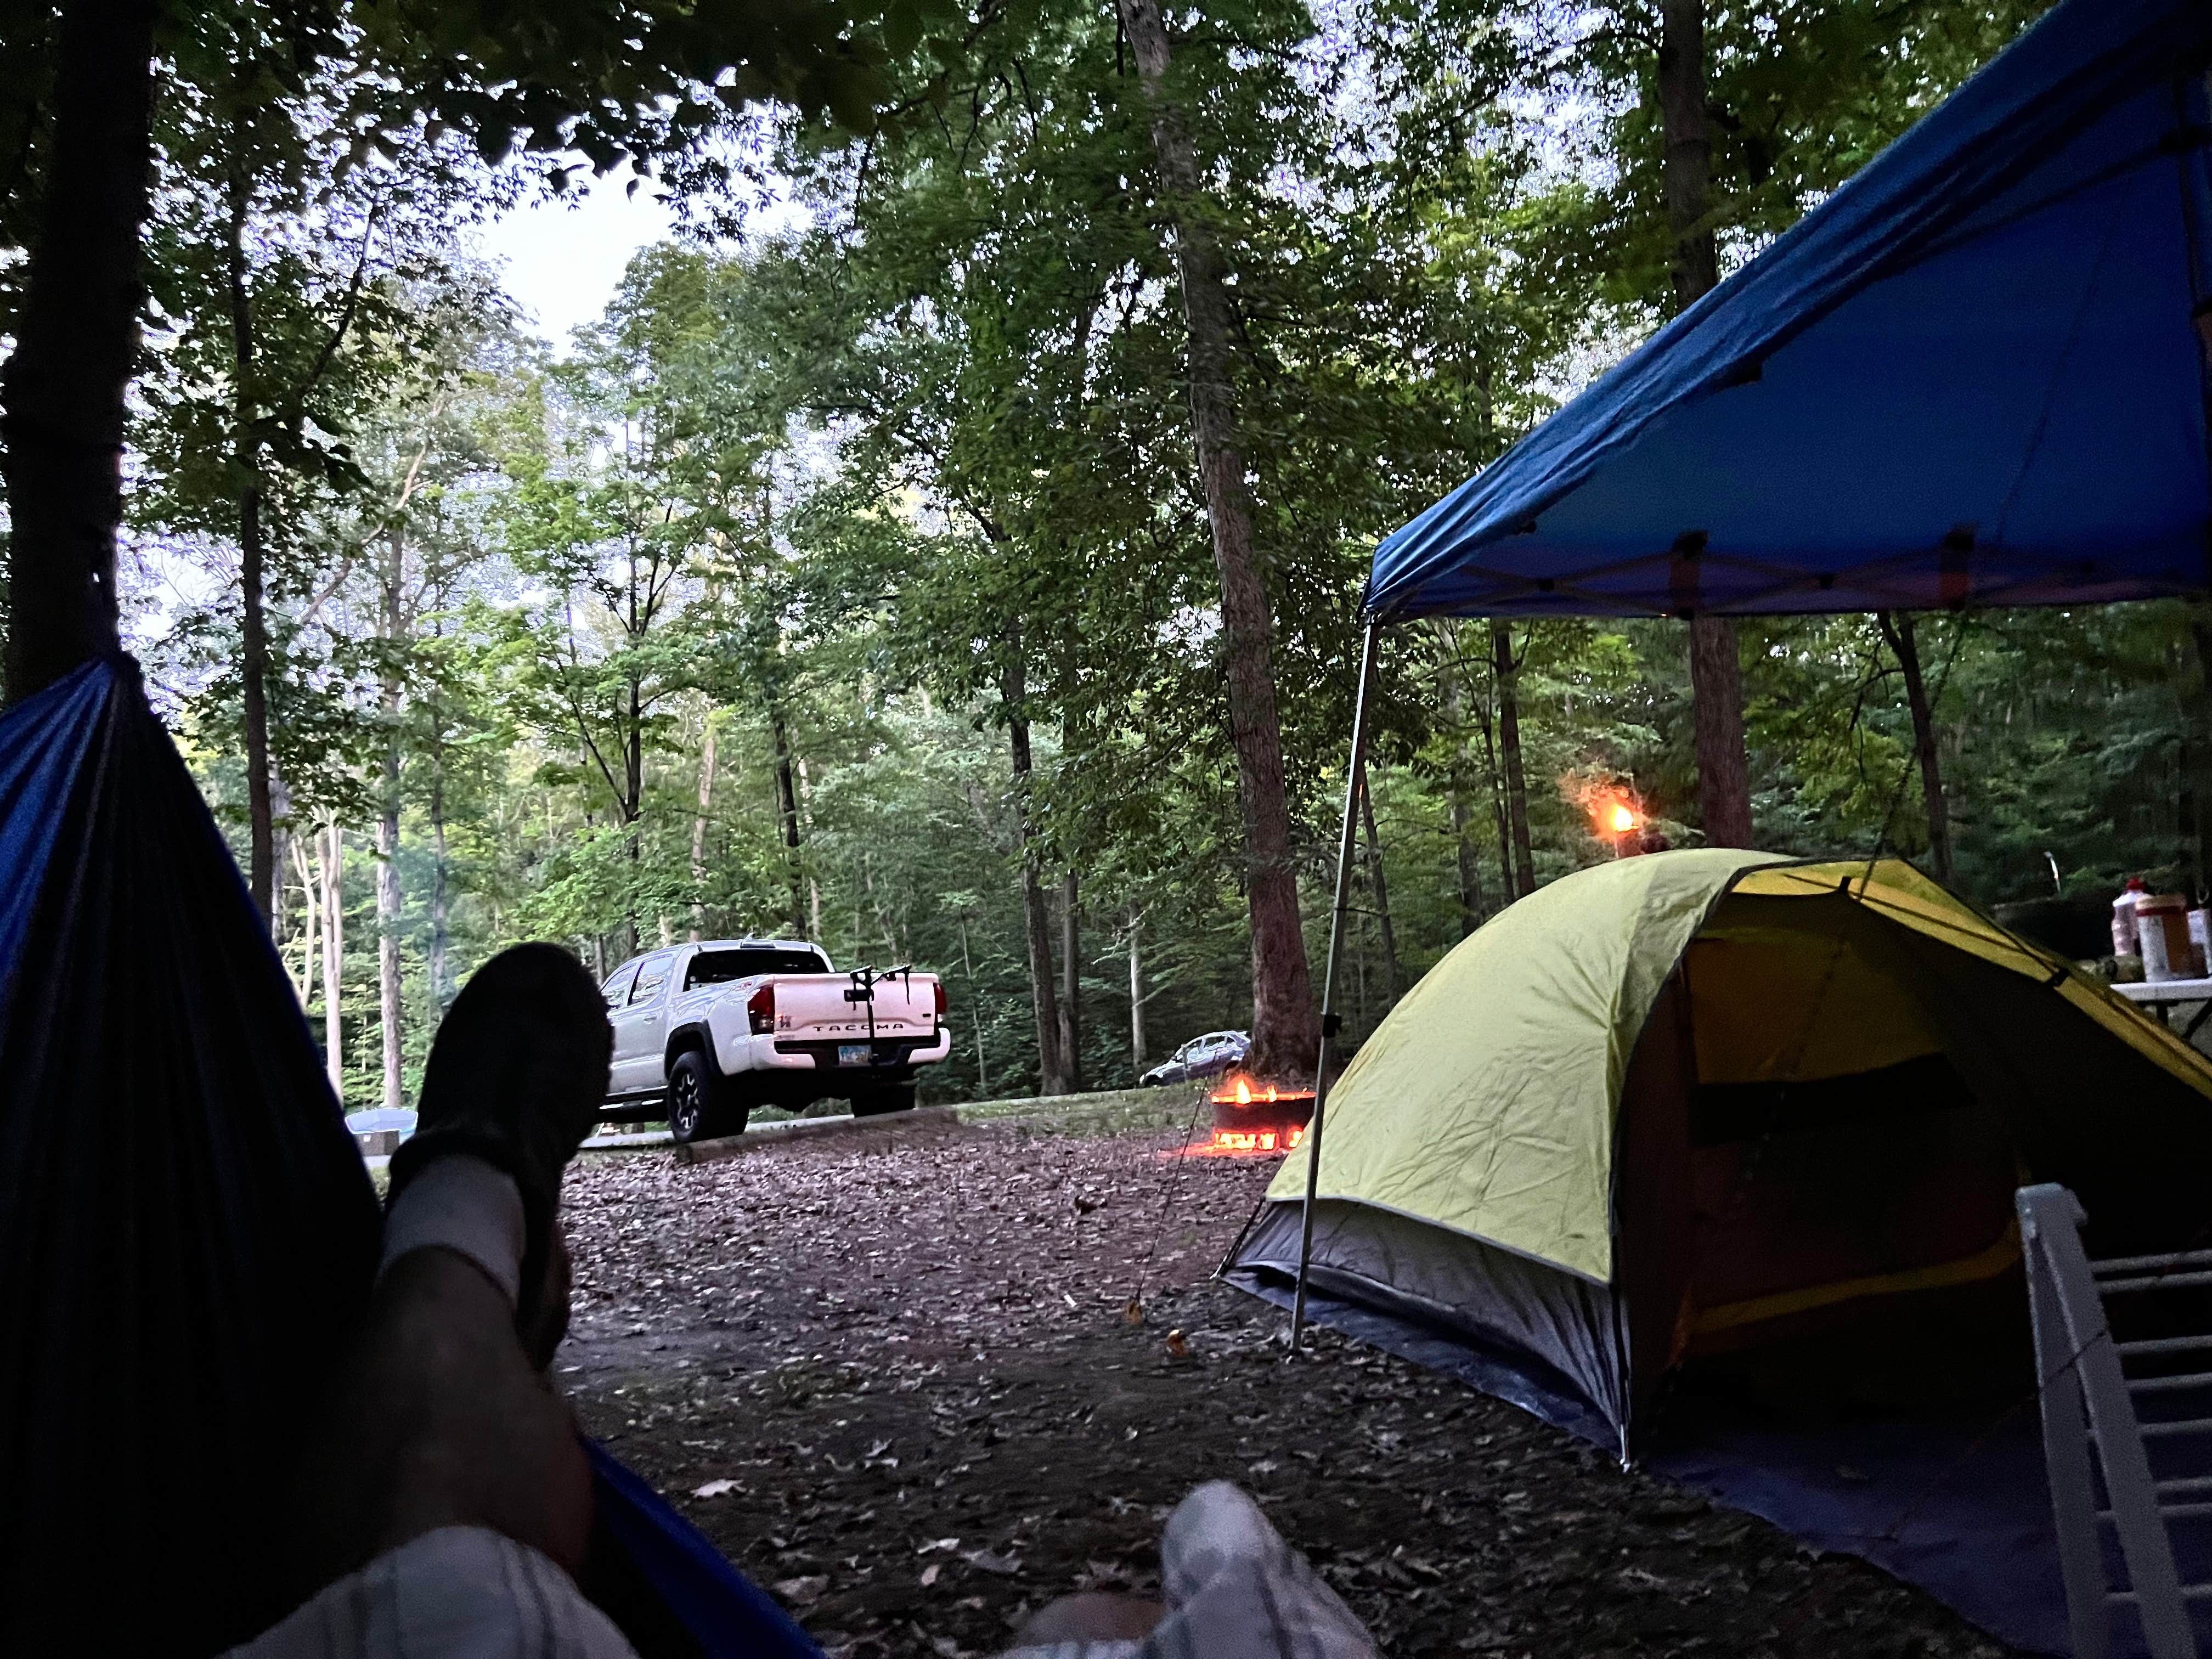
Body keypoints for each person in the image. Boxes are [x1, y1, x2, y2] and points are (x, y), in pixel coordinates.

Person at [231, 944, 1375, 1659]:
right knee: (1100, 1610)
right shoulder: (689, 996)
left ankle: (461, 1244)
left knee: (436, 1558)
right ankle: (476, 1237)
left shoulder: (690, 1010)